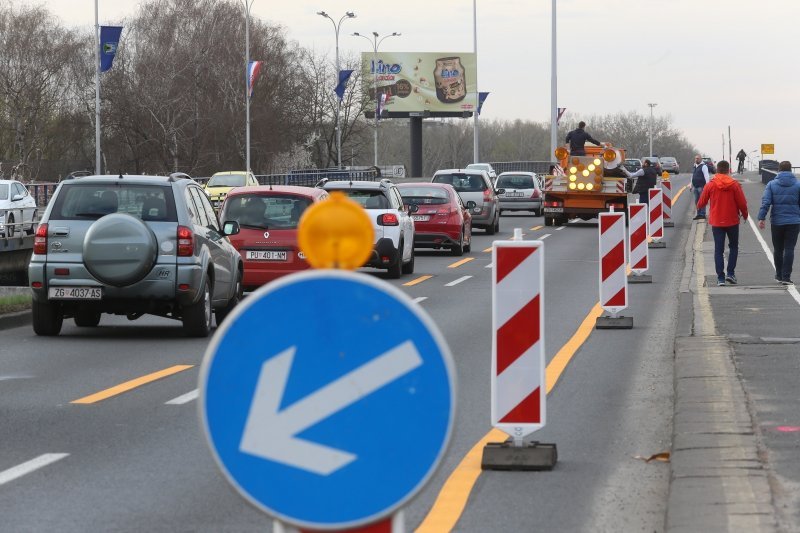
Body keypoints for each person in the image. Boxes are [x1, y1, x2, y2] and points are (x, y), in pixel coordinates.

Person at [696, 160, 749, 286]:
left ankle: (720, 278)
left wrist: (703, 206)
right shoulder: (734, 185)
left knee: (718, 250)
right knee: (733, 247)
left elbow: (701, 203)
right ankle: (730, 273)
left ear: (717, 170)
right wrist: (745, 215)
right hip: (732, 221)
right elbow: (742, 203)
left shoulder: (711, 185)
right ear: (728, 170)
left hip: (717, 221)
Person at [757, 160, 800, 285]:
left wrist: (762, 218)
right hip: (794, 222)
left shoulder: (771, 184)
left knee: (778, 249)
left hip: (777, 221)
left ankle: (779, 275)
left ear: (779, 170)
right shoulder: (798, 185)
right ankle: (786, 277)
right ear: (791, 170)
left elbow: (766, 202)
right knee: (789, 248)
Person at [691, 154, 711, 220]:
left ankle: (702, 214)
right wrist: (691, 185)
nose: (696, 159)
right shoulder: (695, 166)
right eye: (696, 158)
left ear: (701, 159)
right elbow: (692, 176)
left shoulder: (704, 166)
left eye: (698, 158)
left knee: (702, 200)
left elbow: (706, 176)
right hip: (695, 186)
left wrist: (707, 186)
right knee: (697, 201)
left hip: (701, 187)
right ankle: (698, 214)